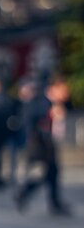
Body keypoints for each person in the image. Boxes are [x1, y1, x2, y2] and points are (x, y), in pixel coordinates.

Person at [14, 77, 70, 216]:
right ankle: (27, 194)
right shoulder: (42, 102)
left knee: (51, 174)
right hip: (41, 144)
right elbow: (34, 123)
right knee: (49, 173)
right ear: (54, 89)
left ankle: (49, 201)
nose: (66, 93)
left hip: (47, 144)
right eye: (62, 90)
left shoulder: (50, 102)